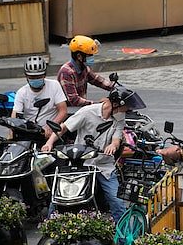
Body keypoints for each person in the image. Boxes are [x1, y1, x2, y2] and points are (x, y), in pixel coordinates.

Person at [42, 86, 146, 222]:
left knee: (117, 201)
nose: (126, 111)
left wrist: (113, 145)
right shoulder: (87, 112)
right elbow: (63, 128)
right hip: (81, 162)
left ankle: (122, 238)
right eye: (125, 108)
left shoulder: (119, 118)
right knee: (59, 196)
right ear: (115, 104)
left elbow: (116, 139)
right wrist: (49, 143)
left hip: (104, 165)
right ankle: (50, 225)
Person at [13, 56, 67, 138]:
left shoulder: (54, 85)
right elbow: (15, 116)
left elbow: (63, 111)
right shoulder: (21, 93)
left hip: (52, 131)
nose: (35, 79)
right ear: (26, 77)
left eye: (38, 77)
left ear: (44, 75)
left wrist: (50, 126)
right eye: (32, 77)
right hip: (31, 132)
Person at [57, 35, 114, 108]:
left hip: (82, 108)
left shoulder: (84, 68)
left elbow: (97, 80)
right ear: (79, 56)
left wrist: (116, 88)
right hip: (70, 111)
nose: (92, 58)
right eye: (89, 56)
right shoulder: (66, 73)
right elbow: (74, 100)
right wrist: (98, 105)